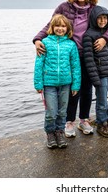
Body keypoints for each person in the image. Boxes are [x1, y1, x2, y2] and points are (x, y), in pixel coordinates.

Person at [33, 0, 108, 137]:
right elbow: (51, 24)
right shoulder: (64, 8)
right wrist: (37, 39)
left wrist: (105, 38)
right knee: (72, 90)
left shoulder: (94, 9)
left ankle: (84, 120)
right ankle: (69, 121)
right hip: (70, 54)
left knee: (86, 89)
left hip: (89, 55)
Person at [34, 14, 81, 148]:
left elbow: (75, 66)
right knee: (51, 112)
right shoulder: (45, 42)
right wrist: (38, 83)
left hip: (66, 84)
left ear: (67, 28)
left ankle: (59, 132)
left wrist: (76, 85)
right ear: (52, 27)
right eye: (57, 26)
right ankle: (50, 133)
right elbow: (39, 64)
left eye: (63, 26)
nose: (60, 28)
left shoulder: (71, 45)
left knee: (62, 111)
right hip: (49, 84)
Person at [83, 5, 108, 138]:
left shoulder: (107, 35)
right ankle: (102, 124)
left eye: (105, 18)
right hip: (100, 76)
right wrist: (95, 79)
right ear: (94, 19)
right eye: (100, 18)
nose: (102, 20)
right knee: (102, 103)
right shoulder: (88, 35)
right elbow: (89, 60)